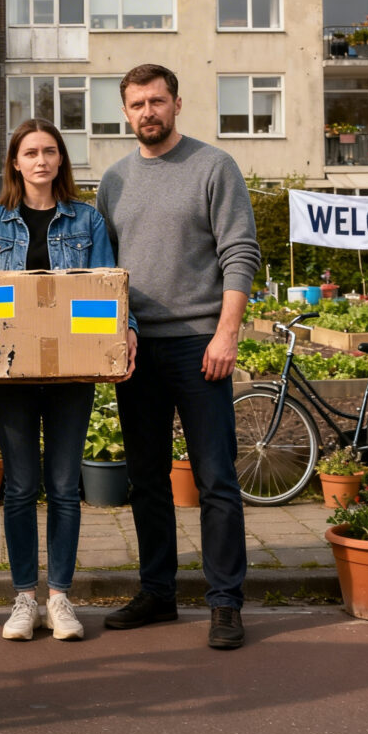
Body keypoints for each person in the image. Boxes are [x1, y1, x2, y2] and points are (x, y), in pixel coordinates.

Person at [96, 64, 260, 650]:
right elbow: (103, 276)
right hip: (137, 347)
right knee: (146, 479)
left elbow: (241, 252)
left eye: (157, 101)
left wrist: (226, 334)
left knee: (215, 480)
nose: (148, 112)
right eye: (137, 103)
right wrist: (109, 340)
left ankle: (224, 601)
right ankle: (158, 592)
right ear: (126, 111)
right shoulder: (113, 181)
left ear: (177, 103)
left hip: (199, 345)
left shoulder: (213, 167)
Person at [0, 119, 130, 642]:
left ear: (61, 160)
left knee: (64, 488)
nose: (41, 161)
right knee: (20, 488)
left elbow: (104, 294)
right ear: (15, 161)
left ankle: (61, 599)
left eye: (50, 151)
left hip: (72, 373)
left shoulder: (88, 221)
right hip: (12, 375)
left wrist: (127, 333)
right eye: (30, 152)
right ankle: (24, 598)